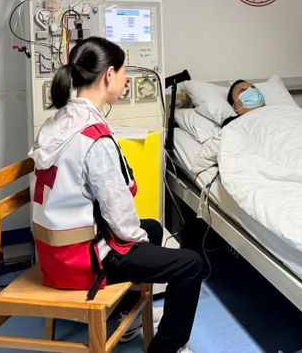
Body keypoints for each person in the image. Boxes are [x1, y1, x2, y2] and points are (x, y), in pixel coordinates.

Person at [29, 37, 202, 353]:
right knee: (190, 264)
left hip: (54, 254)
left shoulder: (57, 122)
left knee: (152, 228)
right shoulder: (95, 139)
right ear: (109, 75)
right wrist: (138, 244)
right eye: (123, 73)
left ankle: (127, 318)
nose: (126, 81)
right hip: (83, 262)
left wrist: (141, 238)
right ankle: (167, 348)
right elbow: (121, 221)